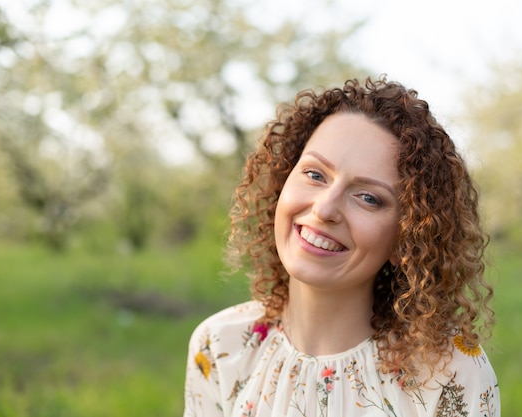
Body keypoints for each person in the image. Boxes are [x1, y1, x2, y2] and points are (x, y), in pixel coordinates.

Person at [183, 76, 500, 417]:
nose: (324, 209)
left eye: (368, 198)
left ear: (405, 237)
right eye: (316, 175)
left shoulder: (449, 374)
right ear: (282, 182)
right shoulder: (221, 345)